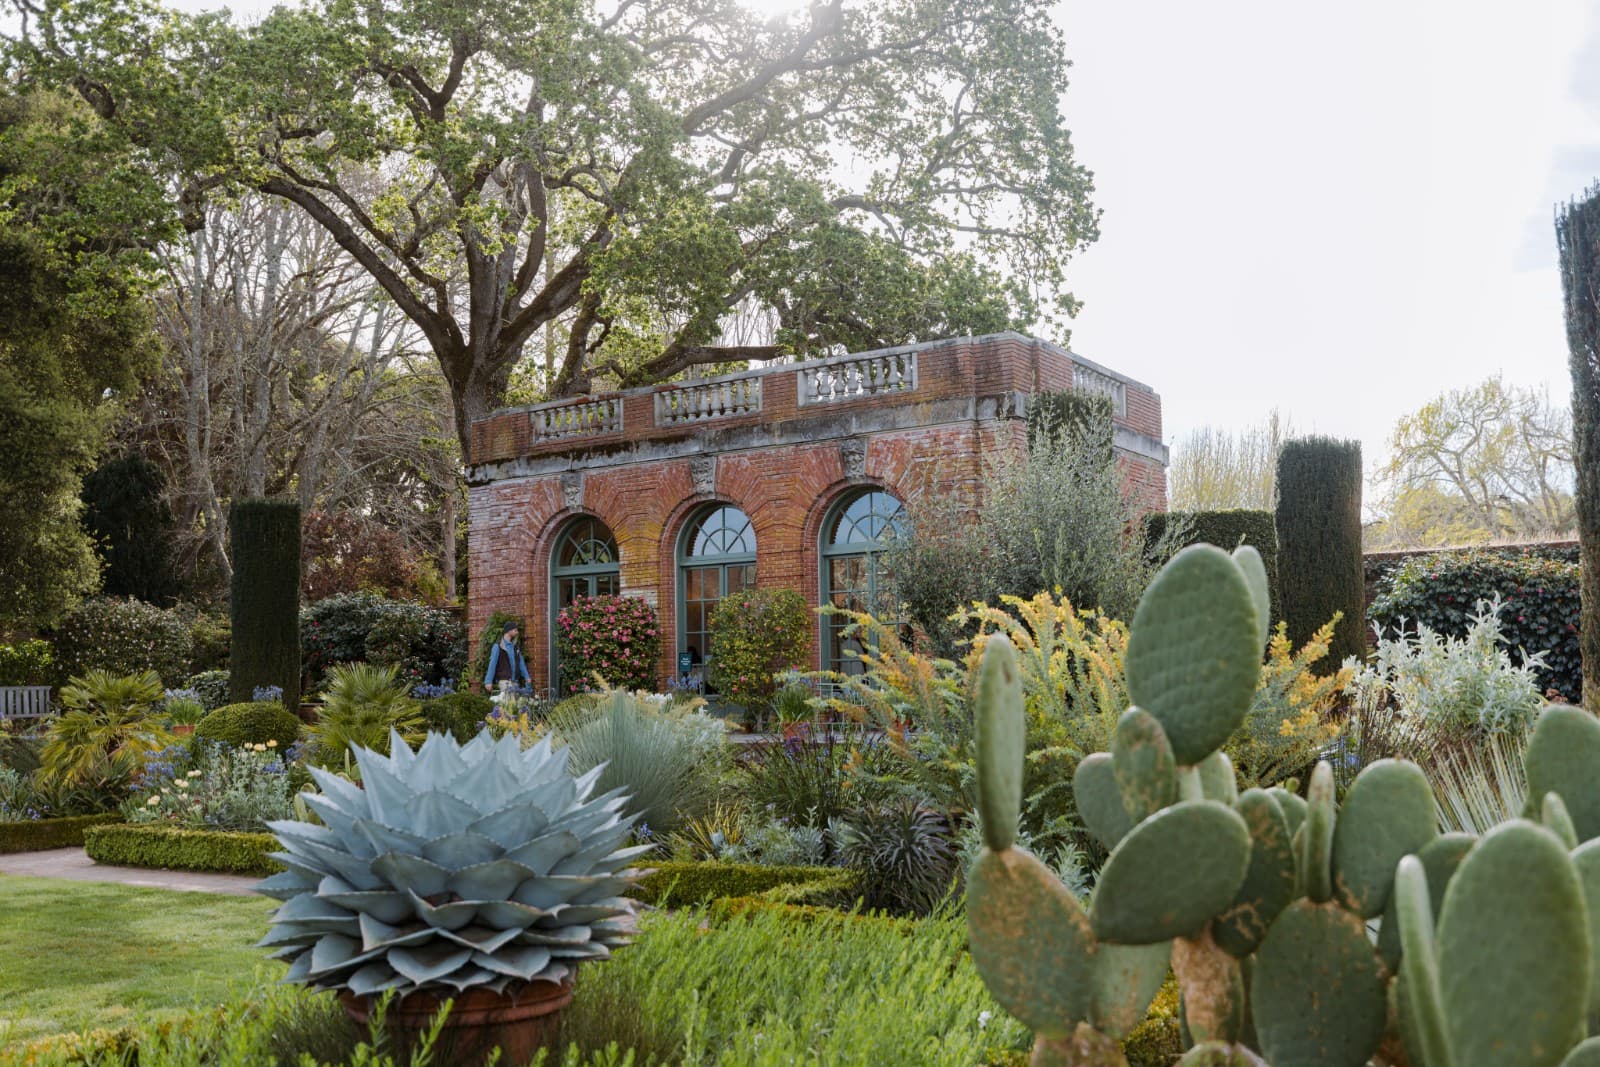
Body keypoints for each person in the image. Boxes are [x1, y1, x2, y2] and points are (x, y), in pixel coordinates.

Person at [483, 622, 531, 690]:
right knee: (510, 700)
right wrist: (488, 681)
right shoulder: (498, 646)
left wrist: (527, 677)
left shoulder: (515, 647)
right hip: (504, 682)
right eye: (515, 630)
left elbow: (521, 663)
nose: (517, 632)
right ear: (509, 631)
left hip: (515, 682)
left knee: (517, 700)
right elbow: (492, 664)